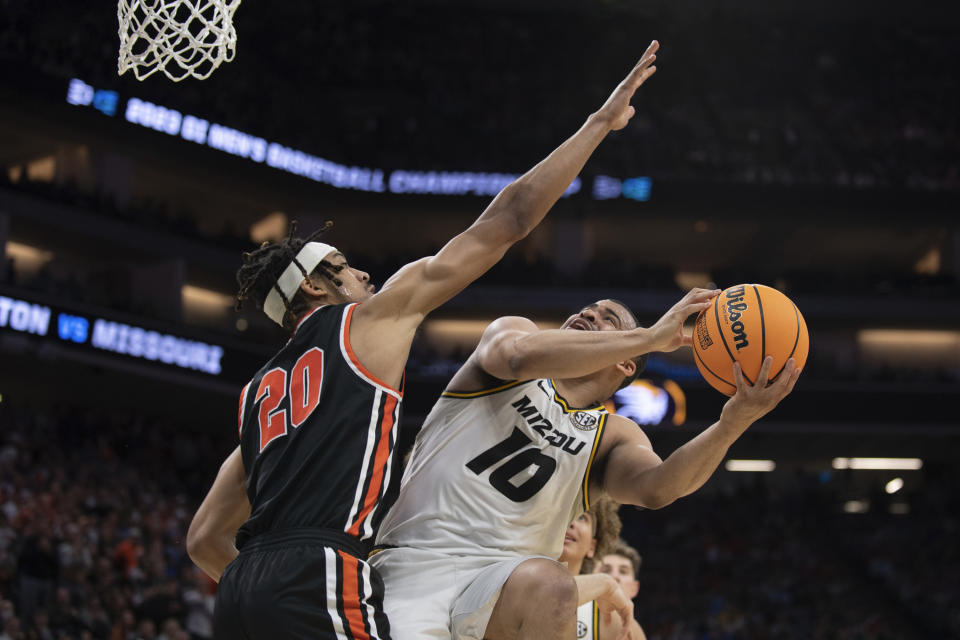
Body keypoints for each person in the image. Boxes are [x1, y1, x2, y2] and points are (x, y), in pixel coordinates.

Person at [185, 39, 663, 640]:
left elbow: (204, 537)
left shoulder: (258, 396)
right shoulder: (369, 323)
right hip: (322, 571)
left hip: (242, 594)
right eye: (344, 265)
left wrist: (268, 603)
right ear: (312, 285)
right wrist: (599, 124)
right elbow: (509, 220)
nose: (363, 273)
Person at [370, 292, 802, 634]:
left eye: (606, 319)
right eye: (587, 310)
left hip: (506, 583)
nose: (588, 315)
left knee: (553, 584)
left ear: (624, 362)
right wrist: (652, 335)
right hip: (417, 560)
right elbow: (519, 354)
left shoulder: (613, 433)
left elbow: (659, 489)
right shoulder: (512, 340)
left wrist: (733, 422)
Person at [558, 500, 646, 640]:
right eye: (563, 514)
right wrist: (605, 583)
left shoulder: (614, 623)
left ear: (592, 547)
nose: (571, 523)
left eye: (582, 517)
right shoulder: (515, 582)